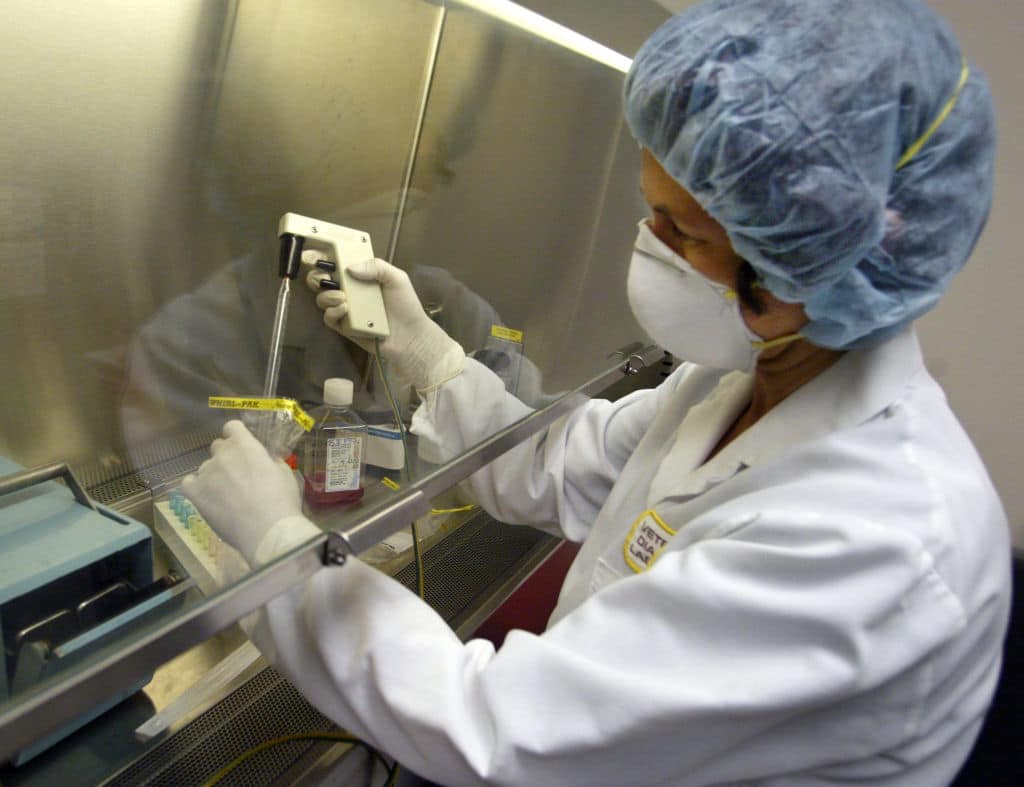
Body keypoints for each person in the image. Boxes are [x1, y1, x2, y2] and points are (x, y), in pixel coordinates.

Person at [183, 1, 1011, 783]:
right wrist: (425, 354)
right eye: (651, 212)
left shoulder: (877, 539)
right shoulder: (739, 379)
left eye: (683, 232)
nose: (648, 249)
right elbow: (560, 462)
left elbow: (490, 728)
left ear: (814, 264)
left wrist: (281, 553)